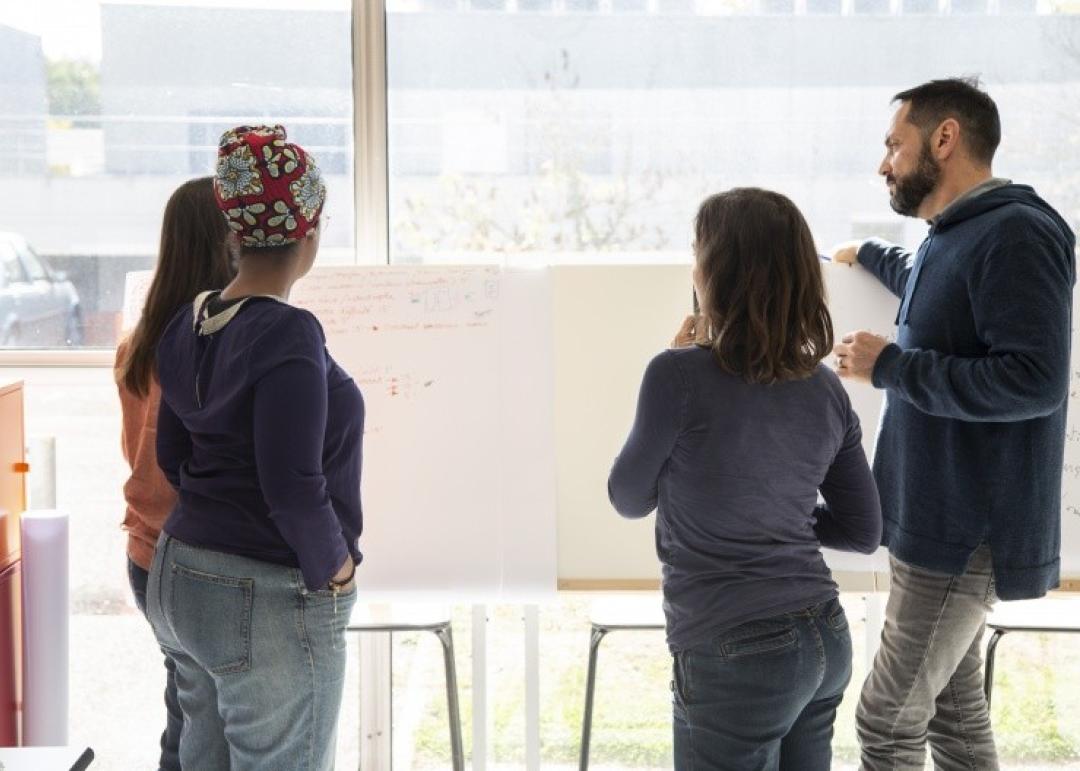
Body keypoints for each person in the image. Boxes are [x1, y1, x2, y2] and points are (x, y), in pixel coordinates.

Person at [831, 77, 1076, 771]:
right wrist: (872, 255)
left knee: (885, 722)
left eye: (893, 145)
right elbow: (934, 286)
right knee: (954, 717)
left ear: (945, 138)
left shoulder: (1019, 234)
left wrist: (891, 367)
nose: (884, 163)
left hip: (963, 533)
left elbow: (1033, 380)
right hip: (933, 520)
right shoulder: (956, 234)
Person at [609, 187, 883, 770]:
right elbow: (863, 531)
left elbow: (628, 497)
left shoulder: (676, 374)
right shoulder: (824, 387)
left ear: (716, 270)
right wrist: (775, 505)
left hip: (733, 647)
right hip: (824, 638)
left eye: (697, 251)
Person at [146, 125, 364, 771]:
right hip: (265, 588)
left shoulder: (189, 320)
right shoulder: (290, 331)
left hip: (180, 573)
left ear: (234, 230)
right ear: (312, 228)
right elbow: (293, 486)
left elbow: (172, 454)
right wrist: (337, 570)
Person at [114, 175, 233, 771]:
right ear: (225, 244)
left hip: (144, 554)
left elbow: (134, 450)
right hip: (191, 558)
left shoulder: (137, 342)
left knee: (186, 715)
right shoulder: (207, 346)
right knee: (209, 729)